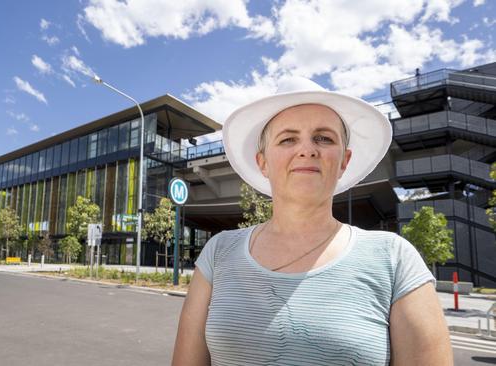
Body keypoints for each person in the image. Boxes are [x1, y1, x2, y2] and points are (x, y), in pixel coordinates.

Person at [172, 78, 452, 365]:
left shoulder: (394, 259)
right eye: (288, 139)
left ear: (344, 160)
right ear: (263, 162)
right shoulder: (218, 254)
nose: (307, 149)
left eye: (324, 138)